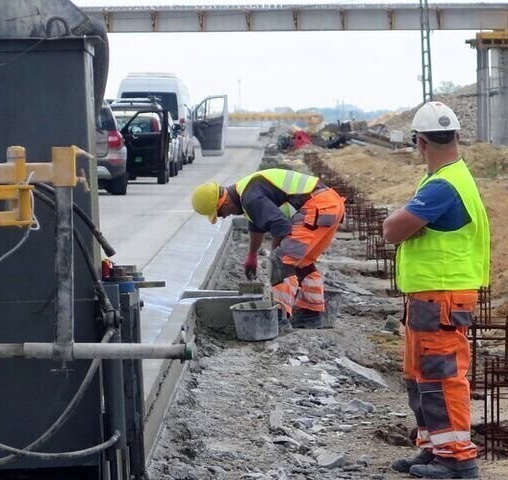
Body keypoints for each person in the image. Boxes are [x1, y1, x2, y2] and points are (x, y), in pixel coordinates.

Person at [382, 102, 490, 479]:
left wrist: (399, 219)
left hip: (441, 296)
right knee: (421, 376)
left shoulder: (443, 185)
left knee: (442, 378)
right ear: (458, 137)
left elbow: (392, 230)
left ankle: (458, 459)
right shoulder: (451, 178)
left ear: (420, 142)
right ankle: (433, 448)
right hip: (430, 296)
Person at [191, 169, 345, 326]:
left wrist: (276, 259)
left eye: (221, 212)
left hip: (318, 206)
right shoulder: (245, 192)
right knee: (301, 262)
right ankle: (312, 314)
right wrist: (252, 256)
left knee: (282, 260)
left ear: (225, 202)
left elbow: (281, 226)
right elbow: (257, 224)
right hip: (329, 204)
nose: (224, 216)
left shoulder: (250, 198)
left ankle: (279, 316)